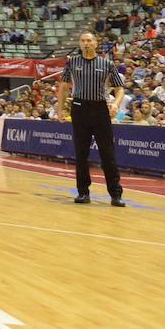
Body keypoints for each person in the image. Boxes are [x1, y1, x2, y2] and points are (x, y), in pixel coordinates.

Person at [57, 30, 126, 207]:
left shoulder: (107, 64)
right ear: (79, 44)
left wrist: (116, 104)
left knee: (107, 153)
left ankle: (115, 194)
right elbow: (64, 87)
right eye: (82, 41)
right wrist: (60, 110)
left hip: (100, 108)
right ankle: (83, 192)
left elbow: (119, 89)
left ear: (96, 43)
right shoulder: (72, 63)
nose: (86, 43)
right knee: (81, 153)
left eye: (89, 40)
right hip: (79, 107)